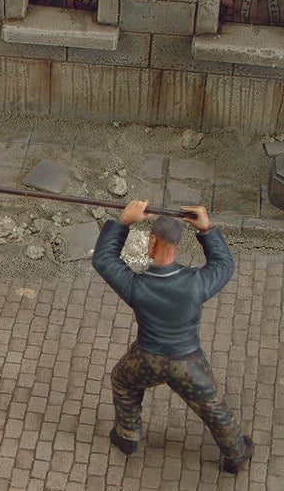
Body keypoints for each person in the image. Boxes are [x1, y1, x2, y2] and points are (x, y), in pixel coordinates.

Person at [92, 199, 252, 473]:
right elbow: (224, 264)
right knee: (214, 406)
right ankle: (235, 452)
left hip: (146, 358)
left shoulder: (137, 286)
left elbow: (103, 259)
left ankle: (127, 435)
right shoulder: (197, 283)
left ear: (152, 240)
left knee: (123, 381)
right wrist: (207, 230)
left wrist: (124, 222)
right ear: (177, 244)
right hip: (188, 362)